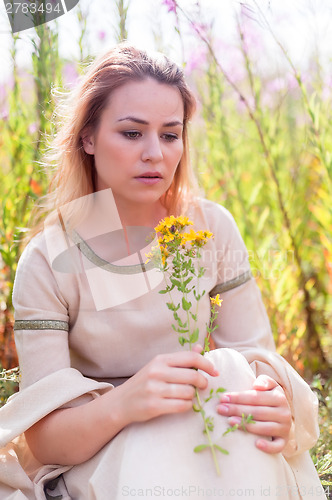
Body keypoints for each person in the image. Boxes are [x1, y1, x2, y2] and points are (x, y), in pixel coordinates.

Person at [0, 44, 326, 500]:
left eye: (170, 135)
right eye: (132, 134)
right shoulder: (50, 259)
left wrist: (272, 400)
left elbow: (255, 359)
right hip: (108, 455)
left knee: (231, 369)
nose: (154, 153)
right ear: (88, 138)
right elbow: (46, 439)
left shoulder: (210, 227)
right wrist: (128, 402)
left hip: (212, 434)